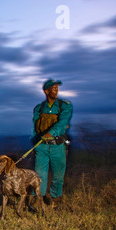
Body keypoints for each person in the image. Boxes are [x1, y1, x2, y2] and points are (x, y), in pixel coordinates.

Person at [32, 79, 73, 208]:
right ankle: (38, 199)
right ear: (46, 91)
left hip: (58, 146)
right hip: (41, 146)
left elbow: (62, 123)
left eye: (57, 88)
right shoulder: (38, 108)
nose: (56, 91)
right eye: (53, 88)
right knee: (39, 175)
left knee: (58, 175)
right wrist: (34, 142)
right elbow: (35, 127)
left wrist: (50, 133)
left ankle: (56, 200)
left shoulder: (65, 106)